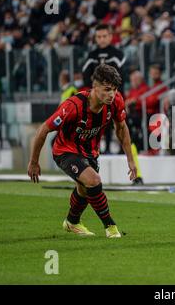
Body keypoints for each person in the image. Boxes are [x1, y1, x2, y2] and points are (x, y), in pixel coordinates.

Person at [27, 64, 137, 238]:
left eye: (114, 90)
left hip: (90, 152)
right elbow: (43, 130)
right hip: (65, 150)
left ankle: (72, 221)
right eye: (107, 89)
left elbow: (122, 128)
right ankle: (111, 227)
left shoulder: (116, 102)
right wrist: (34, 162)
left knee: (85, 190)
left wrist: (131, 160)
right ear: (94, 86)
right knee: (93, 181)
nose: (111, 94)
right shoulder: (73, 106)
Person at [82, 23, 126, 154]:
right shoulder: (92, 55)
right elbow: (85, 75)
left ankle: (120, 148)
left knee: (118, 122)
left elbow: (121, 76)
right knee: (97, 121)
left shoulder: (117, 54)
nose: (101, 39)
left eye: (104, 36)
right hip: (96, 96)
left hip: (114, 94)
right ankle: (99, 147)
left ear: (110, 37)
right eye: (98, 37)